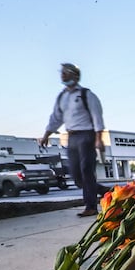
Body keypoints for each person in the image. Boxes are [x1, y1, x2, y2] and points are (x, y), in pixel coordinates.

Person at [39, 63, 110, 217]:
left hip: (87, 135)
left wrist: (99, 139)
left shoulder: (86, 94)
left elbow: (97, 117)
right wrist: (46, 135)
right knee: (76, 174)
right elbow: (56, 118)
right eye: (62, 72)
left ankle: (90, 206)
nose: (63, 75)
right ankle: (103, 190)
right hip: (71, 137)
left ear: (76, 76)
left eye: (67, 72)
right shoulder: (62, 97)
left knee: (86, 170)